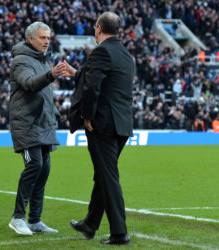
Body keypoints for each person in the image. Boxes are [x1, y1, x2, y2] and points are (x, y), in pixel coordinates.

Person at [62, 12, 135, 245]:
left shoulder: (101, 51)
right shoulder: (125, 54)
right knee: (103, 175)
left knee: (108, 176)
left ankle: (120, 233)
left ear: (99, 28)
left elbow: (93, 88)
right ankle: (90, 224)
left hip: (102, 123)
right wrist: (76, 73)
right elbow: (103, 80)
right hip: (122, 123)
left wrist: (87, 115)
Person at [8, 21, 65, 236]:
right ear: (30, 38)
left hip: (44, 125)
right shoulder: (21, 61)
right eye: (42, 38)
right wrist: (51, 74)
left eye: (48, 38)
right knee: (34, 167)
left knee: (43, 171)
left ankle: (34, 220)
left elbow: (44, 95)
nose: (47, 41)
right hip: (26, 125)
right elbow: (30, 84)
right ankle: (18, 218)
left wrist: (54, 115)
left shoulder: (43, 61)